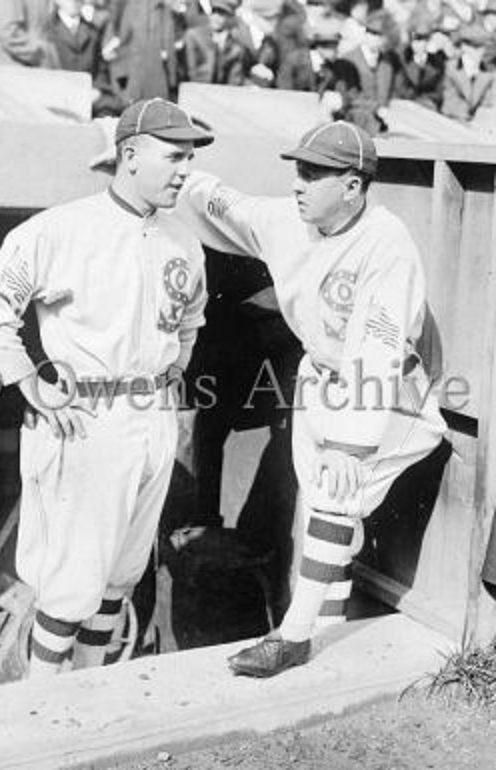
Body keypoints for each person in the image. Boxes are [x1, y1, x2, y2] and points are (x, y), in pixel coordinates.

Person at [175, 120, 446, 677]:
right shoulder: (285, 218)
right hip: (321, 375)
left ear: (354, 185)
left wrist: (351, 444)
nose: (300, 184)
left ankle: (293, 637)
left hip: (384, 388)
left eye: (316, 174)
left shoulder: (386, 242)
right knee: (321, 513)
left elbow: (380, 348)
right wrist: (168, 171)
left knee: (333, 497)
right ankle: (328, 629)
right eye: (299, 170)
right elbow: (222, 201)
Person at [0, 98, 212, 677]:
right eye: (173, 156)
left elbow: (191, 319)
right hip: (87, 414)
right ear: (129, 155)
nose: (184, 170)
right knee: (70, 584)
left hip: (151, 413)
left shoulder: (183, 239)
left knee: (121, 574)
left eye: (188, 158)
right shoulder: (64, 228)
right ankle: (44, 704)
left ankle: (91, 695)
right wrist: (30, 383)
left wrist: (175, 369)